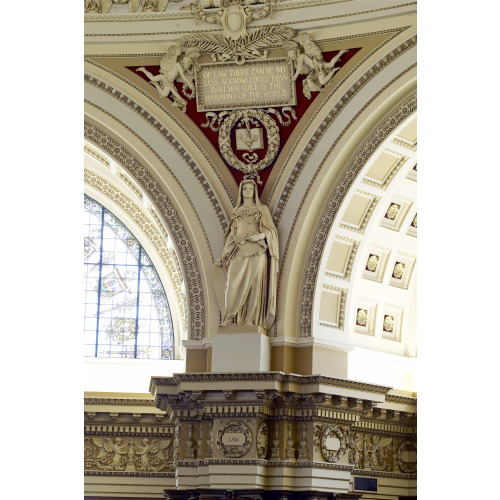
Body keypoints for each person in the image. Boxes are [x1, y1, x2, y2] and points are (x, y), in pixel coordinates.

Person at [214, 179, 278, 330]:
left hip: (256, 250)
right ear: (241, 192)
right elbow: (231, 234)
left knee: (254, 285)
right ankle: (230, 317)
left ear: (255, 191)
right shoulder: (236, 212)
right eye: (245, 189)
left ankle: (250, 319)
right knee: (232, 282)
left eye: (250, 188)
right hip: (238, 249)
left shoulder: (262, 210)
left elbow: (271, 231)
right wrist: (224, 255)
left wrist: (259, 236)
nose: (247, 191)